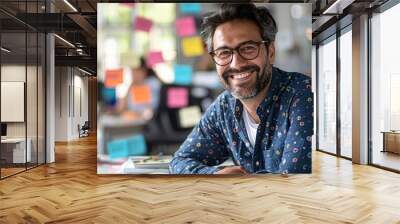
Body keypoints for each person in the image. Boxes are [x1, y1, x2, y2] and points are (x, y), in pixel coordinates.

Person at [169, 3, 313, 174]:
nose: (236, 64)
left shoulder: (303, 95)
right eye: (224, 53)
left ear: (271, 52)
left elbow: (293, 182)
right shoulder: (224, 107)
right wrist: (214, 175)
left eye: (248, 49)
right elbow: (180, 161)